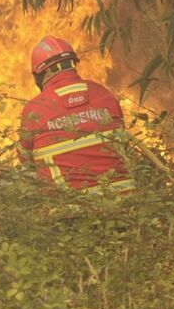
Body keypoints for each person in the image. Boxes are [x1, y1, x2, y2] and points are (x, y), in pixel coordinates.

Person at [19, 35, 134, 192]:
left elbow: (27, 163)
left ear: (39, 75)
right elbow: (123, 145)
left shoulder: (35, 109)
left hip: (71, 210)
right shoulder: (104, 95)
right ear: (73, 64)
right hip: (128, 203)